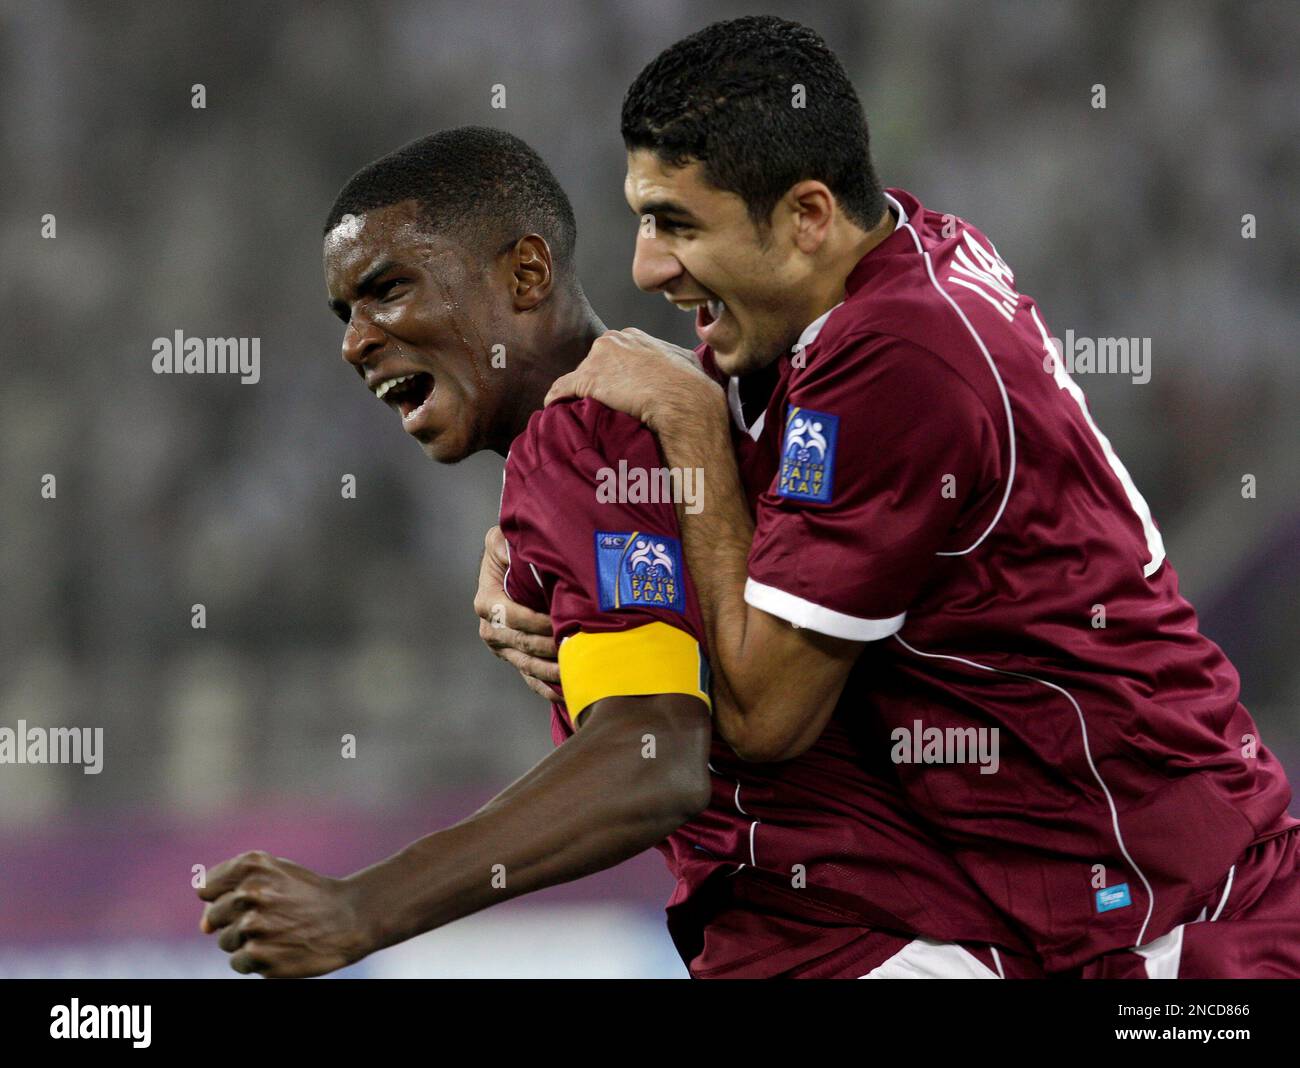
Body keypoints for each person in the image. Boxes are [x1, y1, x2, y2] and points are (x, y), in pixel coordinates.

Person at [495, 17, 1300, 978]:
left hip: (1178, 924)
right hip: (1080, 901)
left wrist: (693, 428)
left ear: (806, 215)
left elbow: (765, 719)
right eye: (642, 216)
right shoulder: (883, 264)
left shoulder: (898, 358)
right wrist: (539, 530)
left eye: (677, 223)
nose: (646, 267)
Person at [196, 126, 1037, 979]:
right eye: (346, 315)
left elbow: (652, 759)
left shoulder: (579, 440)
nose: (356, 342)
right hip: (932, 933)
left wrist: (360, 908)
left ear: (526, 274)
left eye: (386, 290)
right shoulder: (682, 410)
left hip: (861, 951)